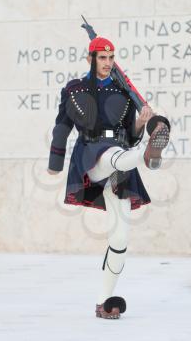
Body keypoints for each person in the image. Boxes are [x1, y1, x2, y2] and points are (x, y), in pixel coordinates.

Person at [47, 37, 170, 319]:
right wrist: (54, 162)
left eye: (111, 58)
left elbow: (129, 132)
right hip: (91, 155)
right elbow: (61, 128)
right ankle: (146, 155)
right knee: (115, 155)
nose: (107, 63)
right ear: (90, 58)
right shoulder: (75, 89)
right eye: (102, 58)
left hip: (120, 159)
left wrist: (140, 124)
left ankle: (104, 302)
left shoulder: (122, 92)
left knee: (121, 238)